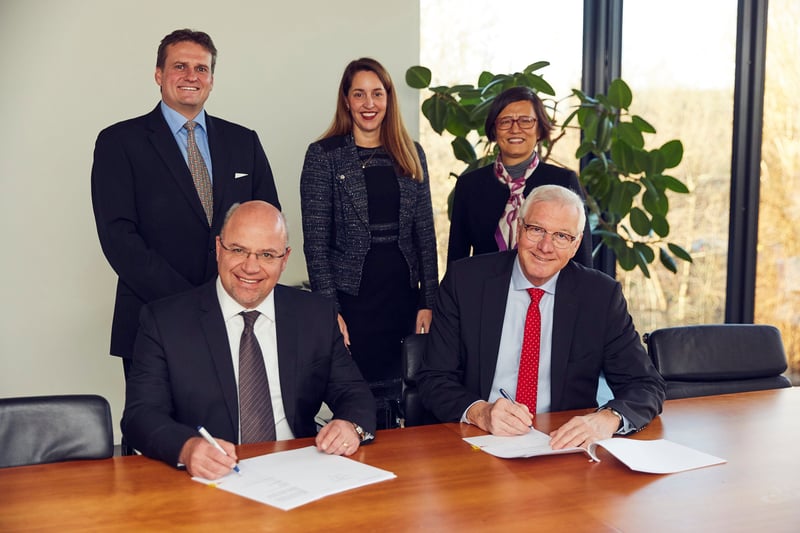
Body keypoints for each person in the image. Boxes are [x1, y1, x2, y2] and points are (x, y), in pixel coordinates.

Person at [122, 201, 376, 480]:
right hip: (211, 480)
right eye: (239, 250)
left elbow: (354, 392)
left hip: (299, 472)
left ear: (285, 258)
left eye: (267, 254)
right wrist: (187, 448)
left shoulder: (314, 314)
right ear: (219, 248)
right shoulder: (165, 321)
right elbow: (141, 415)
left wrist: (350, 426)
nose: (250, 267)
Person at [91, 29, 280, 378]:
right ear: (159, 74)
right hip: (154, 317)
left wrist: (231, 296)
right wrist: (192, 303)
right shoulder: (119, 142)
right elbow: (119, 238)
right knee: (157, 429)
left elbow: (268, 223)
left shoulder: (244, 141)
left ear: (211, 79)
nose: (192, 76)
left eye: (202, 68)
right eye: (180, 66)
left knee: (234, 428)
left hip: (237, 318)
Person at [418, 185, 665, 449]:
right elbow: (434, 378)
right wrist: (481, 412)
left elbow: (645, 384)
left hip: (561, 444)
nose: (545, 246)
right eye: (536, 230)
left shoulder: (600, 296)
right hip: (478, 441)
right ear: (519, 228)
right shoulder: (465, 281)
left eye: (561, 236)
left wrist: (608, 417)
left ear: (576, 244)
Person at [300, 58, 438, 428]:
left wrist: (428, 301)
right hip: (353, 300)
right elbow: (315, 244)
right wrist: (331, 312)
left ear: (389, 99)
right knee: (360, 400)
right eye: (359, 94)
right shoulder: (323, 156)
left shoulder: (410, 153)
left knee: (404, 397)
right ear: (346, 100)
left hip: (402, 297)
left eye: (377, 93)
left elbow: (425, 235)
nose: (368, 103)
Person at [447, 86, 593, 267]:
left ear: (539, 129)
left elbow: (582, 259)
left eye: (526, 121)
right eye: (505, 121)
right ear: (494, 130)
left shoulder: (563, 182)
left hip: (550, 292)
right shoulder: (469, 185)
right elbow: (456, 260)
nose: (515, 129)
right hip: (484, 293)